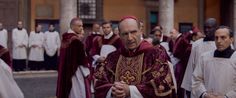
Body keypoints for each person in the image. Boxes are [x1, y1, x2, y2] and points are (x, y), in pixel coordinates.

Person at [94, 16, 176, 98]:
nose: (129, 38)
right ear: (119, 35)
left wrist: (130, 91)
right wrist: (113, 90)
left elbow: (162, 84)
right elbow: (100, 83)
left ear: (140, 31)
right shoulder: (112, 57)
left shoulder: (156, 54)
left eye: (133, 32)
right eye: (125, 34)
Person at [192, 26, 236, 98]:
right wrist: (204, 94)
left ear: (231, 39)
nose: (219, 41)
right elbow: (197, 80)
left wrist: (226, 97)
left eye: (223, 37)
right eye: (216, 38)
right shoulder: (204, 57)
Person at [181, 18, 217, 98]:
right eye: (205, 27)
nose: (206, 30)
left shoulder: (222, 45)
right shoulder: (196, 45)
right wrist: (188, 87)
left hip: (216, 85)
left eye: (209, 27)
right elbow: (191, 66)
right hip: (198, 86)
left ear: (215, 28)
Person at [56, 17, 91, 98]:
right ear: (72, 26)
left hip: (65, 71)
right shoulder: (75, 40)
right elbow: (81, 60)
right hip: (75, 71)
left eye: (82, 26)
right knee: (78, 91)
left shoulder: (65, 38)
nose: (82, 28)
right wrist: (87, 71)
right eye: (79, 26)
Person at [170, 28, 192, 98]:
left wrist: (182, 57)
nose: (170, 35)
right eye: (170, 33)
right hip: (178, 64)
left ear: (176, 32)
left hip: (181, 65)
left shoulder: (182, 39)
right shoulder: (177, 39)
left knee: (180, 83)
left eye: (172, 33)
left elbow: (188, 49)